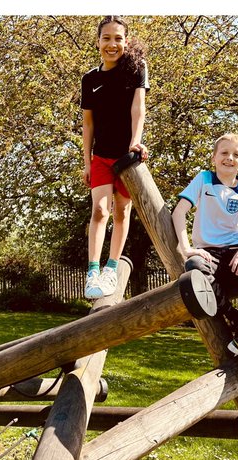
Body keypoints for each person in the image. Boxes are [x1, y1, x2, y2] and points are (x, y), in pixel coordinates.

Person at [172, 132, 238, 366]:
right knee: (194, 267)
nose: (229, 158)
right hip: (209, 253)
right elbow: (179, 212)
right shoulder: (204, 179)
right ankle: (236, 320)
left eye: (236, 155)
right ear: (214, 157)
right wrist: (186, 248)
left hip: (237, 252)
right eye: (224, 153)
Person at [81, 16, 149, 300]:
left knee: (121, 213)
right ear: (98, 42)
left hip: (127, 158)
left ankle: (111, 267)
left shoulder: (136, 69)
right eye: (106, 38)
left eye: (118, 38)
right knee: (100, 211)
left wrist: (136, 141)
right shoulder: (90, 79)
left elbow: (138, 109)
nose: (112, 44)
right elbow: (88, 124)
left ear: (126, 41)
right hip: (101, 157)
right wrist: (87, 162)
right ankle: (93, 271)